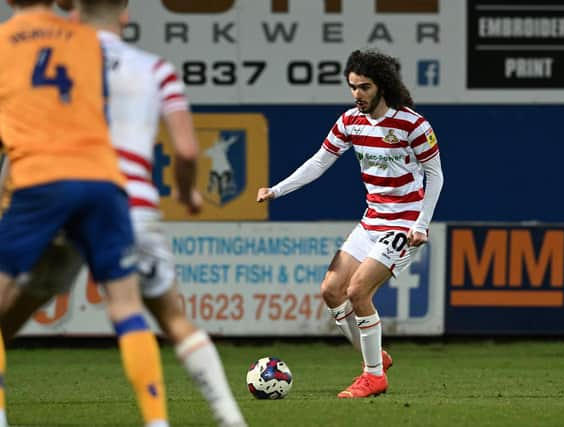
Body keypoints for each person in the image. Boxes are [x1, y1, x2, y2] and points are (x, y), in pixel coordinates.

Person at [1, 1, 248, 426]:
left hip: (45, 187)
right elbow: (186, 150)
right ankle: (186, 421)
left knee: (6, 316)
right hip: (115, 193)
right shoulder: (139, 64)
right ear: (126, 14)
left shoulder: (32, 49)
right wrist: (189, 193)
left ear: (74, 9)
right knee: (148, 312)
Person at [0, 1, 170, 426]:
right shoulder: (87, 41)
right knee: (126, 305)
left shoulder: (4, 44)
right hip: (103, 180)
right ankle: (156, 421)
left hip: (39, 179)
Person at [257, 49, 444, 399]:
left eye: (364, 87)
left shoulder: (413, 125)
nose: (357, 94)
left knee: (358, 291)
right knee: (331, 291)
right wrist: (277, 190)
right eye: (353, 87)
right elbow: (319, 162)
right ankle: (376, 359)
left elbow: (435, 175)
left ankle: (373, 376)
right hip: (372, 220)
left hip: (403, 225)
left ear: (382, 86)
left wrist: (421, 223)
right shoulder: (349, 122)